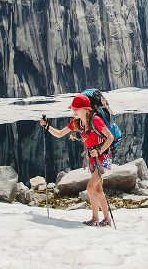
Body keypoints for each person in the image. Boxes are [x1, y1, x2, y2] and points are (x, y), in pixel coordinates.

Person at [39, 94, 114, 226]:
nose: (73, 111)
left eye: (76, 109)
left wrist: (99, 150)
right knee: (98, 190)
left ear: (85, 109)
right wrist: (47, 126)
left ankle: (95, 219)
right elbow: (60, 133)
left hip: (103, 159)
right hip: (93, 159)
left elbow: (110, 138)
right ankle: (106, 219)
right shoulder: (77, 122)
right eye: (73, 109)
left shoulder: (95, 120)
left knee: (90, 188)